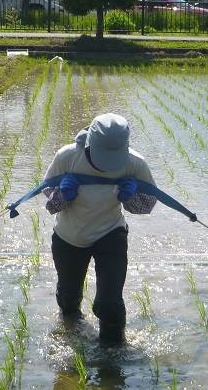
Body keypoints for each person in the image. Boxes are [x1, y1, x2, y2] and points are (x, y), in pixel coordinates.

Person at [43, 113, 157, 345]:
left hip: (111, 233)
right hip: (70, 236)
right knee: (68, 298)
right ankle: (71, 328)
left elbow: (147, 205)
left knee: (110, 303)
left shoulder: (134, 163)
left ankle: (113, 352)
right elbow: (49, 202)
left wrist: (131, 197)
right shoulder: (67, 157)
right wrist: (63, 195)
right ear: (89, 144)